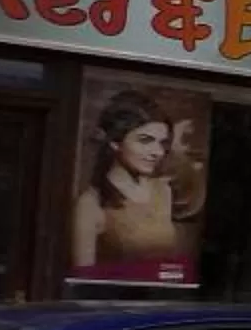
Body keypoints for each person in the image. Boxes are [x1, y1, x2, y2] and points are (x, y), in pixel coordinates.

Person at [71, 91, 203, 279]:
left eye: (161, 143)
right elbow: (82, 282)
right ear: (115, 142)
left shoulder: (163, 191)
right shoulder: (91, 204)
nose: (157, 152)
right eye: (145, 140)